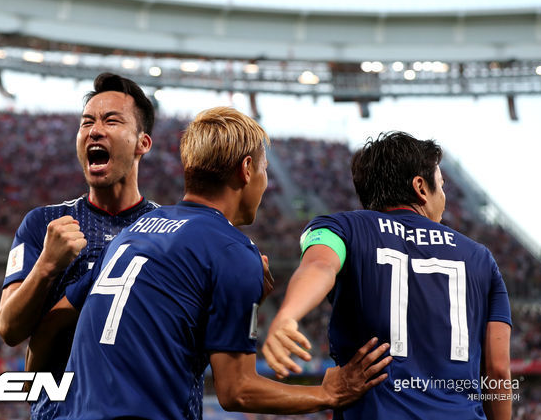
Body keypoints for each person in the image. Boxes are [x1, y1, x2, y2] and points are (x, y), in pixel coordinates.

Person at [26, 107, 392, 420]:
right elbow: (237, 391)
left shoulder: (134, 230)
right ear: (246, 169)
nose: (265, 183)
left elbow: (50, 327)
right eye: (264, 169)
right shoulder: (233, 251)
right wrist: (327, 393)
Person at [262, 131, 512, 420]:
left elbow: (320, 265)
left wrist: (288, 315)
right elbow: (497, 371)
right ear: (421, 187)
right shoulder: (481, 257)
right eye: (441, 186)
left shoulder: (340, 228)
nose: (444, 198)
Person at [0, 73, 158, 419]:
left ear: (142, 143)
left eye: (111, 120)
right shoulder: (43, 223)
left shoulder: (168, 231)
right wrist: (47, 265)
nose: (94, 131)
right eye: (87, 122)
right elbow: (8, 328)